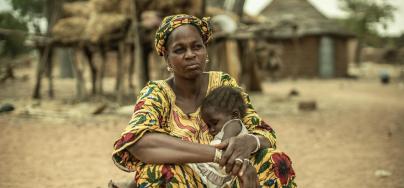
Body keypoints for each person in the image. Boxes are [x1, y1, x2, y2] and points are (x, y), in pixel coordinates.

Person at [112, 14, 296, 188]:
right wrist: (216, 155)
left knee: (275, 160)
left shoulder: (222, 83)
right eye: (179, 50)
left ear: (205, 51)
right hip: (186, 180)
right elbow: (139, 143)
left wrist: (250, 142)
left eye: (197, 47)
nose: (190, 54)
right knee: (157, 172)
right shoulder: (157, 93)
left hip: (232, 175)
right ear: (167, 58)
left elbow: (265, 133)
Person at [191, 86, 251, 187]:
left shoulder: (234, 124)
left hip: (218, 173)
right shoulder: (230, 126)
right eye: (209, 126)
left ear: (235, 115)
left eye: (214, 123)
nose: (211, 130)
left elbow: (224, 147)